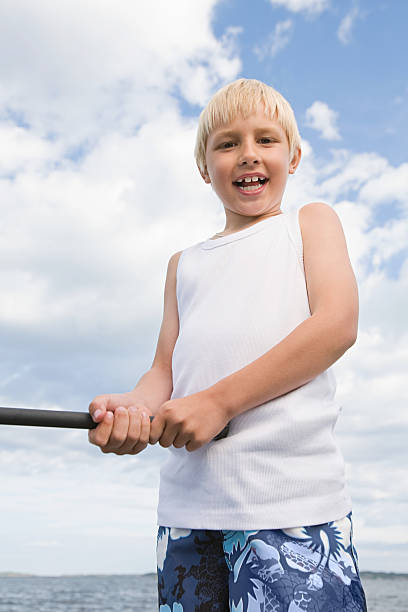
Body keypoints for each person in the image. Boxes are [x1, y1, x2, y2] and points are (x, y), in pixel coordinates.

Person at [88, 78, 367, 611]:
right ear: (203, 166)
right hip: (187, 517)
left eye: (266, 140)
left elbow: (337, 324)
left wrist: (218, 402)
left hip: (291, 509)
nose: (247, 155)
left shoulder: (311, 224)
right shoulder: (182, 265)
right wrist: (132, 409)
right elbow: (163, 372)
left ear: (294, 155)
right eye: (226, 143)